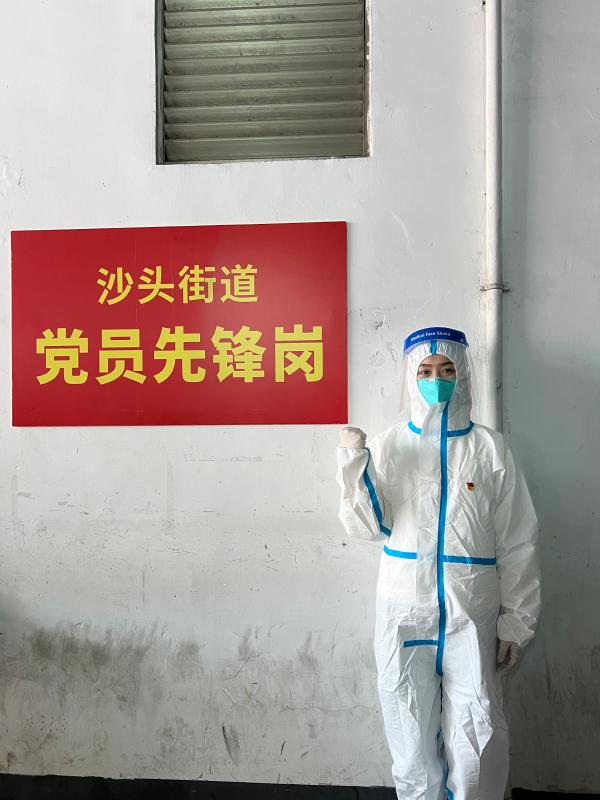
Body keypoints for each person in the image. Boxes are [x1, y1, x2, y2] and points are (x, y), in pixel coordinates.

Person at [336, 326, 540, 800]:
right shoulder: (389, 445)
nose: (436, 380)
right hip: (403, 609)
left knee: (478, 730)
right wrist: (353, 463)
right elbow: (370, 528)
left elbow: (518, 540)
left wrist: (517, 621)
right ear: (411, 377)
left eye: (447, 370)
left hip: (472, 611)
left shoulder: (490, 449)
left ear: (463, 374)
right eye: (425, 371)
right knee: (408, 729)